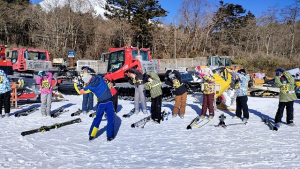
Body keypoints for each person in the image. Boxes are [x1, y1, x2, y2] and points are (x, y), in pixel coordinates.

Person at [74, 73, 115, 141]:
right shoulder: (99, 78)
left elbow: (80, 91)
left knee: (98, 118)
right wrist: (85, 75)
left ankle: (92, 135)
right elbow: (93, 75)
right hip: (110, 100)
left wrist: (76, 84)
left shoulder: (90, 87)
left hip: (101, 103)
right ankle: (109, 136)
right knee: (110, 118)